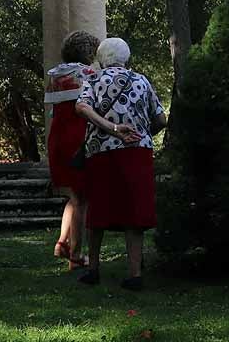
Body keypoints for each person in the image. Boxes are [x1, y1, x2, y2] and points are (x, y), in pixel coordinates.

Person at [74, 37, 167, 290]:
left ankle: (93, 270)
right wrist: (141, 132)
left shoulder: (93, 80)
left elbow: (81, 107)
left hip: (101, 152)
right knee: (134, 213)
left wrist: (111, 128)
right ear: (127, 58)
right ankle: (135, 274)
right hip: (137, 151)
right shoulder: (141, 80)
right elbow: (160, 117)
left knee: (98, 209)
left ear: (101, 58)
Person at [45, 30, 100, 270]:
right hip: (78, 138)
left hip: (58, 138)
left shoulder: (55, 76)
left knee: (74, 196)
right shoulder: (88, 74)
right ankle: (76, 256)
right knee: (82, 199)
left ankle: (63, 243)